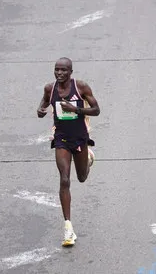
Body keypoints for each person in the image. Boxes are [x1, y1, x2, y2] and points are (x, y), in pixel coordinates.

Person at [37, 57, 100, 247]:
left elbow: (97, 110)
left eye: (64, 70)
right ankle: (68, 228)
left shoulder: (80, 87)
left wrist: (76, 109)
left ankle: (88, 158)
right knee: (64, 179)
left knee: (81, 177)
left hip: (80, 138)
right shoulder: (50, 88)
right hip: (61, 139)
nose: (60, 73)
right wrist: (40, 110)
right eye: (57, 70)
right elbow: (44, 103)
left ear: (71, 72)